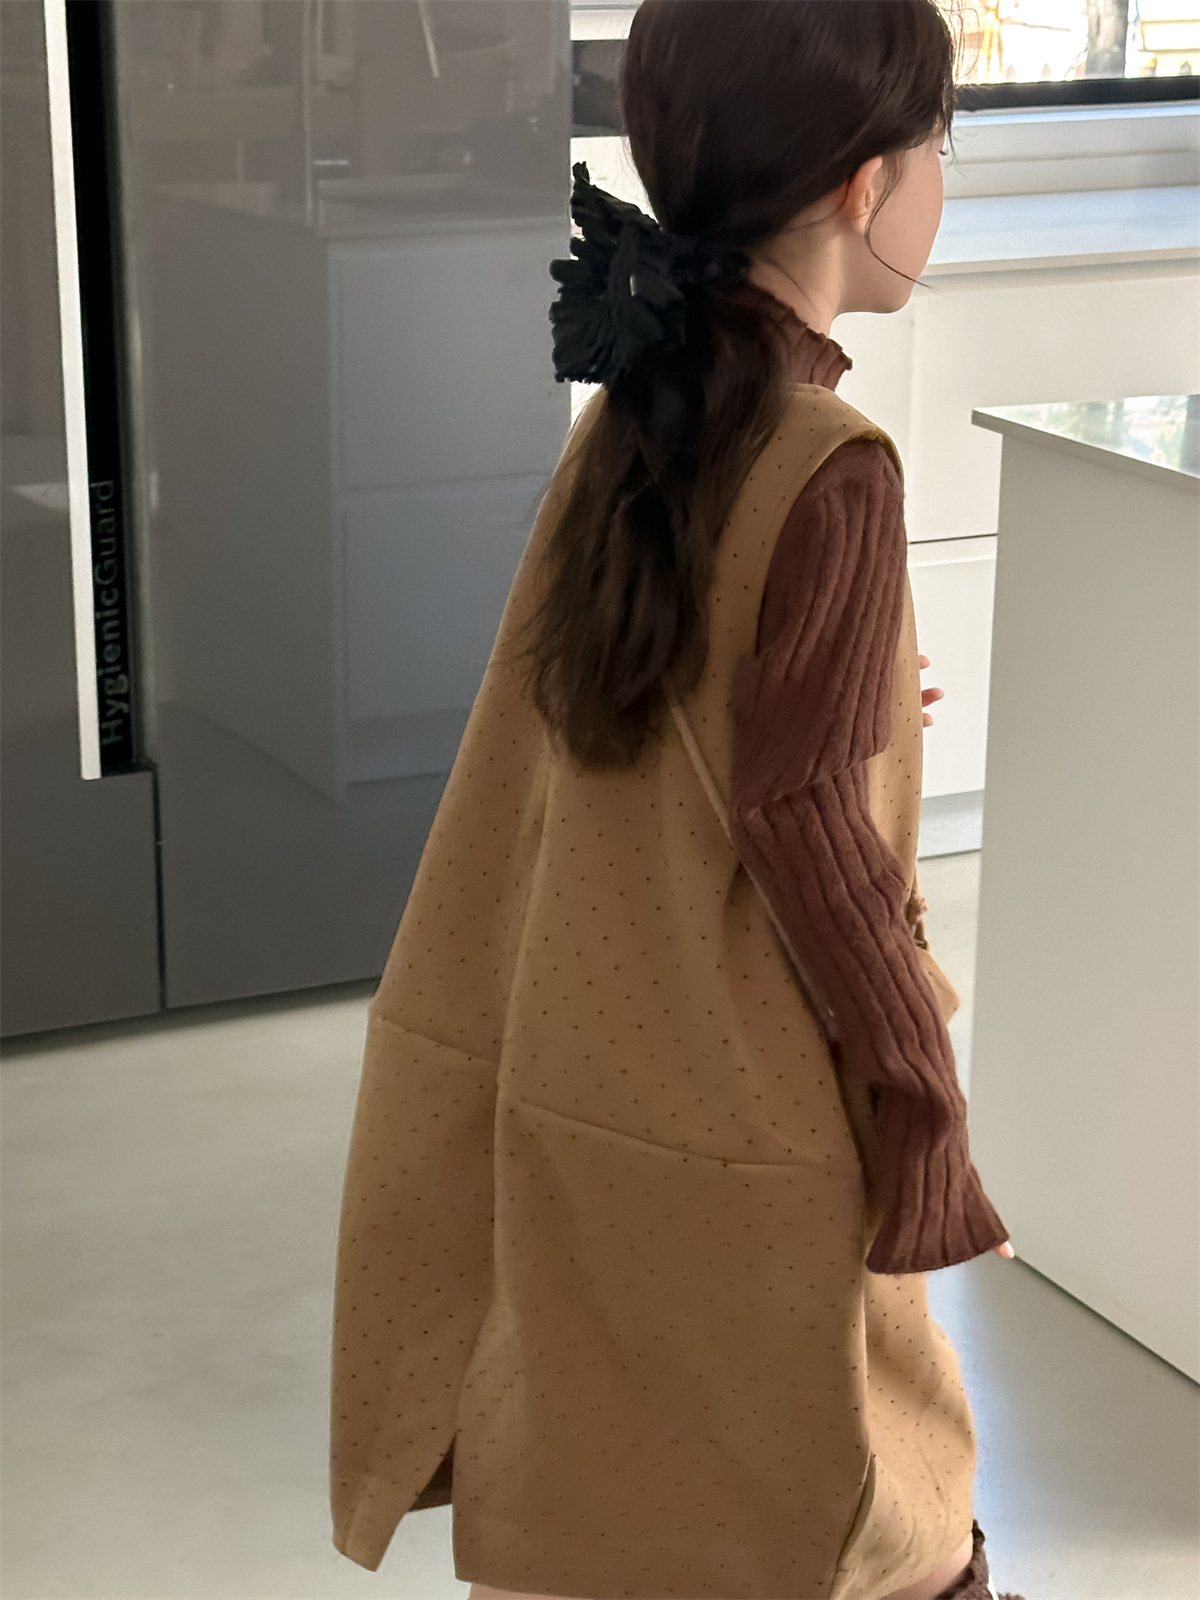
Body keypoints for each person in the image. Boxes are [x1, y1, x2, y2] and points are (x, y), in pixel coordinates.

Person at [331, 4, 1025, 1598]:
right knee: (876, 1514)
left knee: (623, 1490)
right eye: (938, 144)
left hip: (584, 1063)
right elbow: (812, 837)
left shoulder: (642, 407)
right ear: (860, 183)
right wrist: (925, 1111)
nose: (940, 180)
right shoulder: (832, 457)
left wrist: (843, 690)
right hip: (754, 1095)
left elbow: (625, 707)